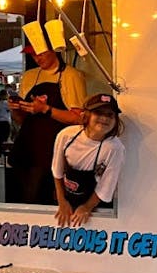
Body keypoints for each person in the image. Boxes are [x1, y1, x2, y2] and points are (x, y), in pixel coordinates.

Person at [6, 46, 86, 204]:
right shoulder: (29, 76)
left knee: (45, 199)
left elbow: (78, 119)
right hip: (28, 148)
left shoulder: (71, 75)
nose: (37, 58)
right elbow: (22, 120)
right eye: (33, 55)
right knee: (23, 198)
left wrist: (46, 109)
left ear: (54, 51)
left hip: (55, 149)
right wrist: (15, 109)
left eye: (41, 53)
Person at [52, 93, 126, 227]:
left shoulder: (115, 148)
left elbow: (106, 187)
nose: (104, 118)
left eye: (110, 115)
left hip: (95, 203)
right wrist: (62, 202)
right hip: (65, 195)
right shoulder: (66, 135)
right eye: (98, 113)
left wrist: (86, 208)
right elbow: (57, 171)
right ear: (86, 116)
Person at [0, 88, 13, 166]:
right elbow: (11, 110)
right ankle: (4, 159)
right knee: (4, 141)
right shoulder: (5, 103)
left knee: (0, 140)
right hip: (4, 123)